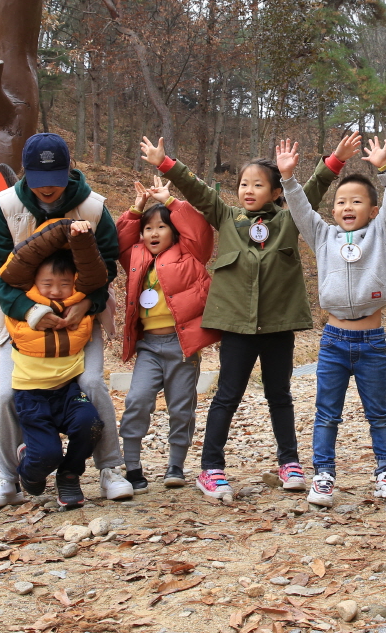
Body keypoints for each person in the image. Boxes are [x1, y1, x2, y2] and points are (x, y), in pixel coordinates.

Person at [140, 132, 361, 501]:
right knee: (228, 394)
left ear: (276, 192)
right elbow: (197, 191)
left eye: (258, 184)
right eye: (244, 183)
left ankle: (289, 461)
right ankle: (210, 468)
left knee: (280, 394)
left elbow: (313, 189)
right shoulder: (227, 216)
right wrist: (166, 163)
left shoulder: (291, 220)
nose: (248, 189)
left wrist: (335, 159)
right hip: (236, 325)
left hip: (277, 324)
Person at [0, 133, 134, 510]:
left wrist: (89, 304)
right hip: (18, 318)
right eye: (38, 178)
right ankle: (7, 477)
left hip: (81, 316)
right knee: (7, 396)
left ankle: (111, 469)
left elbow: (108, 264)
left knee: (93, 383)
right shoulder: (7, 206)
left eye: (55, 177)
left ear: (69, 170)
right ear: (25, 174)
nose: (47, 187)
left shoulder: (92, 208)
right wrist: (31, 311)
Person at [277, 130, 386, 507]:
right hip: (334, 341)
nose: (347, 206)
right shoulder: (322, 236)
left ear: (372, 210)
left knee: (379, 412)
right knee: (326, 414)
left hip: (372, 341)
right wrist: (288, 178)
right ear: (333, 210)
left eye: (357, 201)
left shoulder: (382, 232)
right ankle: (323, 476)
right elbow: (302, 211)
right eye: (341, 202)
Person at [116, 176, 221, 491]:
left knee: (180, 406)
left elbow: (200, 231)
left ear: (174, 232)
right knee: (136, 400)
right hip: (149, 347)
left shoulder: (190, 254)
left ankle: (175, 466)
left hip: (181, 345)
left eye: (161, 227)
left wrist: (171, 201)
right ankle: (133, 468)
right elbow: (120, 241)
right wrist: (137, 209)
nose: (153, 233)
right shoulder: (136, 258)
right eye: (148, 228)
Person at [0, 222, 105, 507]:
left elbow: (95, 281)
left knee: (91, 424)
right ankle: (27, 467)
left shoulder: (80, 308)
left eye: (64, 285)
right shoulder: (20, 309)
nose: (56, 291)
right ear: (35, 285)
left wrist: (81, 241)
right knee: (47, 455)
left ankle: (69, 475)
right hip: (31, 395)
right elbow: (12, 274)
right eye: (47, 285)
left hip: (67, 392)